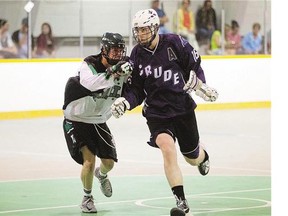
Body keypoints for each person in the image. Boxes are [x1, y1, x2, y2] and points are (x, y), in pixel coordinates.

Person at [111, 9, 218, 216]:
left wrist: (200, 84)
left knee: (191, 157)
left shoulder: (175, 43)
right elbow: (136, 90)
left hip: (182, 109)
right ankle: (181, 202)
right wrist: (126, 101)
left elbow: (194, 66)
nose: (141, 34)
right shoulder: (137, 54)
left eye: (144, 30)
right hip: (157, 113)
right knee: (167, 148)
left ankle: (202, 156)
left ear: (155, 28)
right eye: (138, 31)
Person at [62, 32, 132, 213]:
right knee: (89, 161)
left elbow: (135, 89)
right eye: (114, 50)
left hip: (99, 120)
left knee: (109, 163)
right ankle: (87, 198)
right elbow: (90, 83)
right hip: (76, 119)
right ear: (104, 50)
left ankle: (101, 175)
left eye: (120, 51)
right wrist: (114, 73)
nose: (118, 54)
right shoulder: (89, 64)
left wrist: (127, 103)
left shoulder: (125, 67)